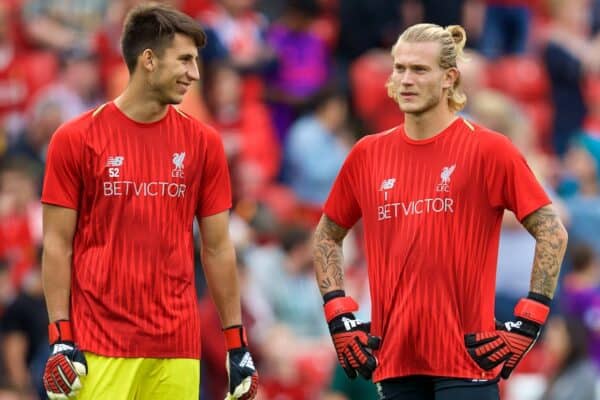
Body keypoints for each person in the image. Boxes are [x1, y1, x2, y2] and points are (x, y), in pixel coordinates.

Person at [312, 23, 569, 400]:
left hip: (467, 362)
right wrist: (338, 311)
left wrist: (530, 318)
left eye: (419, 69)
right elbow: (326, 235)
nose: (405, 79)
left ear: (450, 78)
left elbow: (552, 230)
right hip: (395, 363)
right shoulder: (367, 154)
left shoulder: (488, 150)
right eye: (399, 68)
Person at [39, 4, 258, 400]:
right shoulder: (74, 139)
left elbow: (218, 247)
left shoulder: (204, 144)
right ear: (149, 60)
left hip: (176, 349)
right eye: (186, 60)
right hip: (97, 347)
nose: (194, 74)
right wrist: (60, 335)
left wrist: (236, 344)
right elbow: (57, 244)